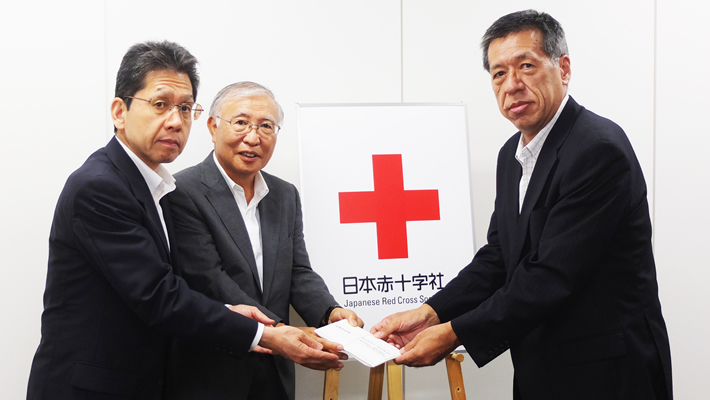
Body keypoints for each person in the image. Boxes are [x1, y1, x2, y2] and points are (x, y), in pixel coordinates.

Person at [371, 10, 672, 400]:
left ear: (563, 68)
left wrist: (453, 334)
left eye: (526, 66)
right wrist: (429, 312)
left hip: (608, 371)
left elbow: (551, 275)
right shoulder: (510, 155)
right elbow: (499, 257)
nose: (512, 85)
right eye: (498, 73)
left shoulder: (597, 150)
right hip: (542, 366)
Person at [27, 41, 341, 400]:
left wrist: (321, 312)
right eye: (160, 104)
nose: (175, 121)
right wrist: (268, 334)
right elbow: (159, 295)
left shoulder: (154, 185)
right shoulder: (101, 186)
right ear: (119, 111)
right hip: (94, 386)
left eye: (185, 107)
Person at [166, 81, 363, 400]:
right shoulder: (183, 191)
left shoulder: (285, 195)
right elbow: (210, 279)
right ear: (213, 127)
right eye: (241, 122)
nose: (253, 138)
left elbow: (297, 271)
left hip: (275, 374)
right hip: (212, 370)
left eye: (266, 126)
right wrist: (280, 333)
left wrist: (329, 313)